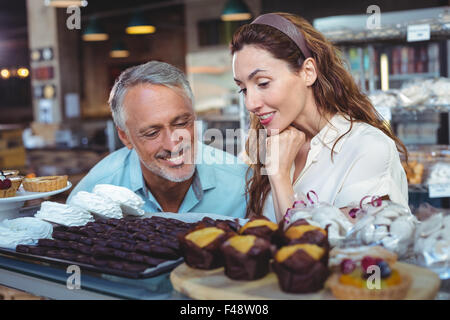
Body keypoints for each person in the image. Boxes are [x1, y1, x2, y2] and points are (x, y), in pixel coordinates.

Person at [231, 12, 409, 223]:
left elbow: (320, 250)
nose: (250, 104)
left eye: (263, 83)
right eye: (243, 89)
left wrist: (279, 175)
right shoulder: (261, 146)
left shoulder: (367, 148)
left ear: (308, 72)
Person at [68, 61, 247, 218]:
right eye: (152, 133)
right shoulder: (95, 189)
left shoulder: (243, 185)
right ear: (125, 137)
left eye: (182, 123)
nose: (172, 144)